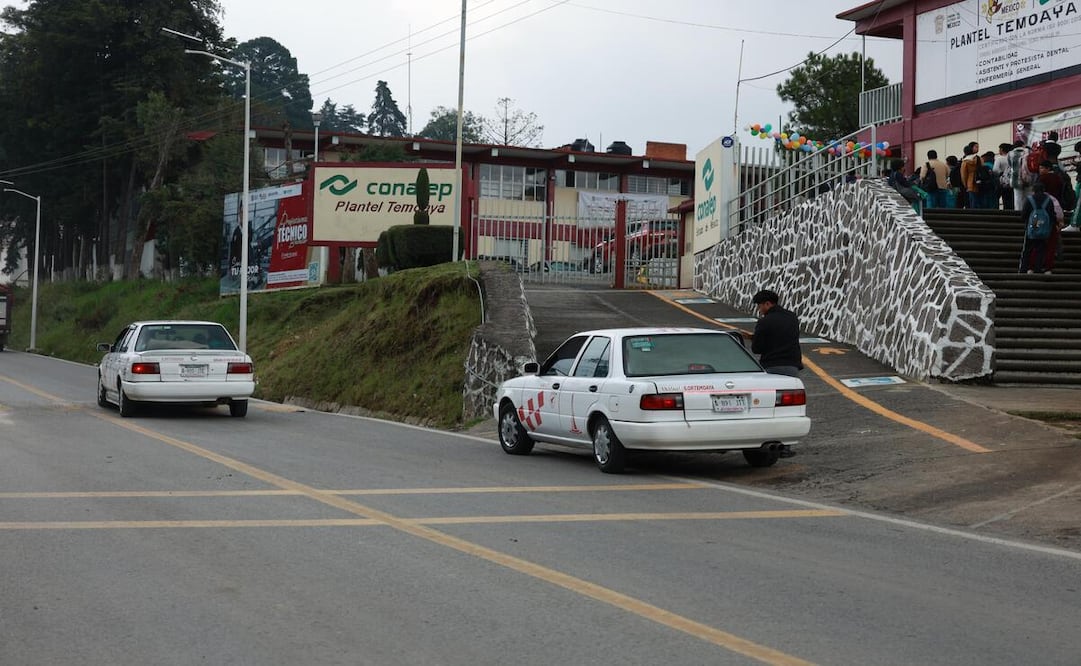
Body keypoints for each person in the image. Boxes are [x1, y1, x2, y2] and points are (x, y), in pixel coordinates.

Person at [750, 289, 803, 458]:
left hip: (772, 367)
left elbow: (757, 348)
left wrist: (754, 337)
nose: (759, 309)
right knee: (790, 408)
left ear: (767, 303)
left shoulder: (765, 322)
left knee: (768, 407)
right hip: (791, 366)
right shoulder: (792, 317)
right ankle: (786, 445)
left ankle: (764, 442)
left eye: (760, 306)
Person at [1018, 182, 1063, 274]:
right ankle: (1038, 268)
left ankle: (1025, 268)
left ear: (1033, 190)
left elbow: (1023, 215)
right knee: (1041, 249)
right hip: (1044, 229)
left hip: (1031, 228)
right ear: (1043, 190)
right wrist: (1055, 224)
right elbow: (1052, 215)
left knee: (1028, 249)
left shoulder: (1029, 199)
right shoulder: (1048, 200)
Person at [993, 143, 1014, 210]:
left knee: (1004, 199)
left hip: (1003, 182)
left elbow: (995, 170)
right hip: (1012, 181)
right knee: (1011, 200)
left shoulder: (999, 159)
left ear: (1001, 149)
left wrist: (1000, 173)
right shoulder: (1013, 158)